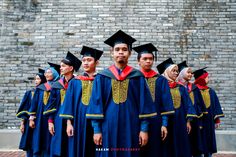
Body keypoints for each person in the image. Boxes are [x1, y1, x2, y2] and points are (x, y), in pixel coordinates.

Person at [86, 30, 157, 157]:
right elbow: (96, 104)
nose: (120, 52)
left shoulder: (137, 77)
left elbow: (145, 104)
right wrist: (97, 130)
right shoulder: (102, 77)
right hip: (108, 126)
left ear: (129, 53)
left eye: (124, 49)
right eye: (117, 49)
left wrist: (144, 129)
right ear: (111, 53)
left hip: (132, 126)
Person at [59, 46, 103, 157]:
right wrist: (69, 124)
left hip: (99, 121)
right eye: (84, 60)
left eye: (89, 60)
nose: (86, 63)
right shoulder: (75, 82)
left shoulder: (102, 80)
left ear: (96, 62)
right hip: (79, 121)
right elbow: (69, 103)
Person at [133, 43, 174, 157]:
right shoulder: (133, 79)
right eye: (144, 59)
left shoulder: (161, 80)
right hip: (135, 121)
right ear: (138, 61)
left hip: (156, 122)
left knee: (154, 150)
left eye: (151, 59)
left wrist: (164, 124)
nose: (148, 61)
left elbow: (165, 103)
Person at [43, 52, 82, 157]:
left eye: (63, 66)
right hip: (58, 119)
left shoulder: (79, 82)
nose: (61, 68)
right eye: (60, 66)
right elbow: (52, 104)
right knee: (59, 146)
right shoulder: (57, 85)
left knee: (72, 145)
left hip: (75, 118)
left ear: (71, 68)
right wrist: (50, 121)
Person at [157, 58, 196, 157]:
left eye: (177, 71)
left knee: (180, 145)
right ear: (166, 72)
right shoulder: (159, 86)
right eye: (173, 71)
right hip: (164, 121)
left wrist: (188, 121)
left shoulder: (181, 87)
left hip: (180, 121)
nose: (176, 73)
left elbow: (188, 104)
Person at [29, 63, 60, 157]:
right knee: (39, 138)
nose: (46, 74)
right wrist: (31, 118)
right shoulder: (40, 88)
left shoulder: (59, 87)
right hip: (40, 119)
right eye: (46, 72)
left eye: (49, 72)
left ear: (55, 73)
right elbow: (34, 104)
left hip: (54, 117)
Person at [177, 61, 207, 156]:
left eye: (191, 72)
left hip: (195, 120)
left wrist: (201, 122)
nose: (191, 74)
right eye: (188, 72)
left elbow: (200, 105)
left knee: (195, 145)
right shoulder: (176, 87)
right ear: (181, 73)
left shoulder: (194, 88)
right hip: (181, 120)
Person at [193, 67, 224, 157]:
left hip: (209, 121)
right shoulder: (194, 90)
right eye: (207, 77)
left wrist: (217, 120)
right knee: (198, 141)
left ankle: (208, 155)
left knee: (208, 141)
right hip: (198, 121)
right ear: (201, 78)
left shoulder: (211, 91)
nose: (208, 79)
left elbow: (215, 106)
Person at [16, 68, 46, 157]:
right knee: (29, 143)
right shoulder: (30, 93)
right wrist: (22, 123)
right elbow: (25, 109)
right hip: (30, 123)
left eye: (38, 79)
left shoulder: (47, 92)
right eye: (35, 79)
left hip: (41, 123)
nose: (36, 81)